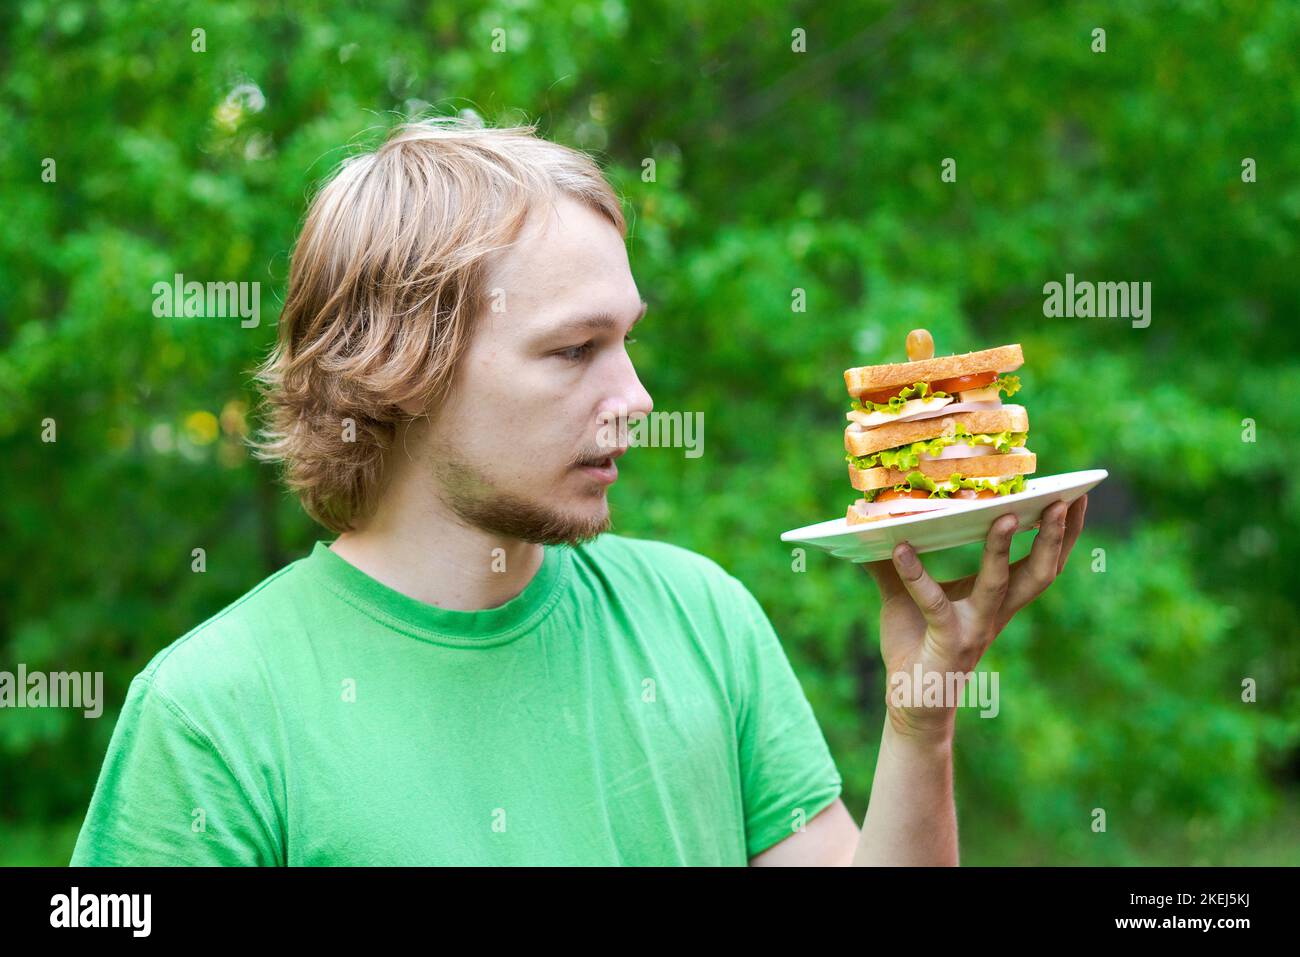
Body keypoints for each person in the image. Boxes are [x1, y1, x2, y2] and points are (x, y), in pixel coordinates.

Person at [71, 116, 1087, 866]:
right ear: (402, 367)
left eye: (627, 340)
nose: (634, 398)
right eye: (573, 351)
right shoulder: (214, 714)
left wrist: (922, 714)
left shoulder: (700, 619)